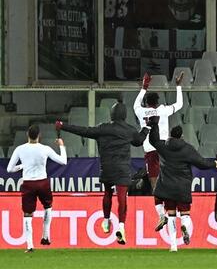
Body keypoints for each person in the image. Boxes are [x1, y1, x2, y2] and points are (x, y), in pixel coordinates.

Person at [55, 101, 148, 245]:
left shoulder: (102, 128)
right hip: (122, 169)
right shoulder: (129, 130)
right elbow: (139, 141)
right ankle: (121, 226)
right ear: (124, 115)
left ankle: (106, 220)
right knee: (122, 197)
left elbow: (83, 131)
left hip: (107, 168)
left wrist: (63, 126)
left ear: (111, 114)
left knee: (107, 193)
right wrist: (147, 127)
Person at [147, 118, 217, 252]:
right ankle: (184, 226)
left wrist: (154, 125)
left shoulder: (164, 146)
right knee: (185, 215)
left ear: (170, 135)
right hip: (182, 188)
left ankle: (173, 246)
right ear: (181, 136)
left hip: (167, 187)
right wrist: (215, 164)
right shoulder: (187, 149)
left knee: (171, 215)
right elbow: (202, 163)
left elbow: (153, 140)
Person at [133, 72, 184, 231]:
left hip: (150, 151)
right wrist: (178, 86)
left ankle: (162, 215)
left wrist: (143, 88)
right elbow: (180, 104)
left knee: (156, 186)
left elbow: (135, 105)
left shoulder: (141, 112)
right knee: (169, 182)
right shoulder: (164, 110)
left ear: (146, 103)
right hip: (164, 150)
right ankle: (176, 212)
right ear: (158, 102)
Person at [6, 125, 67, 252]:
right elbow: (63, 161)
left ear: (27, 135)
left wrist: (22, 166)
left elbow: (9, 169)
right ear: (39, 136)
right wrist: (61, 145)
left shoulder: (20, 149)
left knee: (28, 213)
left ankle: (29, 245)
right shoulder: (45, 149)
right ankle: (46, 236)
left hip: (28, 184)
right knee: (48, 207)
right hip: (42, 182)